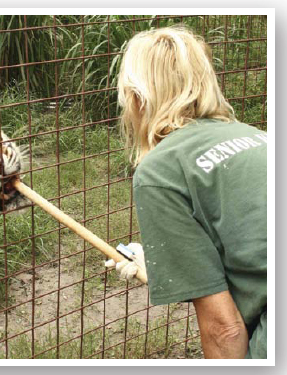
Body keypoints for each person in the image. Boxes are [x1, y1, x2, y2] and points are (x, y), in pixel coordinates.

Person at [106, 26, 267, 359]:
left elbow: (225, 329)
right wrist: (165, 262)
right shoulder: (259, 137)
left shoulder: (160, 171)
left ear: (137, 97)